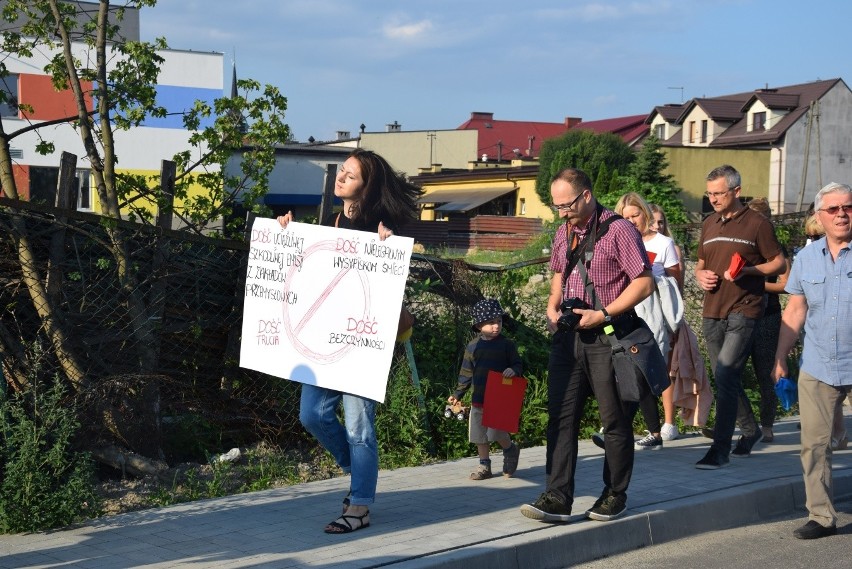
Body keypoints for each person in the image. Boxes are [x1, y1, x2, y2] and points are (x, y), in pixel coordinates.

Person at [277, 148, 422, 534]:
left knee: (359, 426)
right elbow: (308, 268)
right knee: (312, 414)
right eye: (342, 171)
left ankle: (359, 506)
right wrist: (287, 235)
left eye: (351, 175)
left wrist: (388, 244)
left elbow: (392, 278)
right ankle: (359, 474)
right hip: (326, 339)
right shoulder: (331, 220)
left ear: (366, 186)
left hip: (362, 341)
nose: (341, 178)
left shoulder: (383, 226)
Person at [520, 168, 654, 523]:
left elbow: (644, 283)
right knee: (561, 418)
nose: (562, 212)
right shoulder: (564, 231)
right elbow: (559, 275)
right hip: (568, 338)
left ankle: (614, 494)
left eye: (567, 205)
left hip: (607, 335)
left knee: (613, 420)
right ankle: (557, 496)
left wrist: (604, 314)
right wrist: (552, 306)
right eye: (556, 206)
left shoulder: (618, 230)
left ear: (587, 195)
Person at [772, 182, 852, 539]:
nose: (842, 214)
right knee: (814, 445)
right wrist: (781, 356)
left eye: (847, 207)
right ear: (820, 217)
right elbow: (795, 309)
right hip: (819, 363)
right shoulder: (805, 258)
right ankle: (821, 517)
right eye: (833, 209)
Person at [694, 165, 785, 469]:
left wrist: (748, 271)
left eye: (718, 193)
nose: (713, 199)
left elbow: (778, 264)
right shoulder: (708, 223)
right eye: (709, 194)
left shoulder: (757, 224)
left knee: (724, 373)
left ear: (735, 191)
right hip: (712, 309)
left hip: (745, 308)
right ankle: (750, 429)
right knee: (725, 377)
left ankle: (719, 450)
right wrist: (700, 275)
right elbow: (701, 263)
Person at [612, 193, 683, 451]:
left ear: (646, 214)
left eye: (635, 214)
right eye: (625, 216)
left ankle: (644, 429)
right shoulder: (617, 242)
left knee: (645, 369)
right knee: (629, 369)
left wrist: (676, 323)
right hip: (626, 311)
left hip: (654, 311)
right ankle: (639, 430)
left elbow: (676, 283)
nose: (630, 220)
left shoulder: (663, 244)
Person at [447, 298, 523, 480]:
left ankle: (510, 449)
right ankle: (484, 467)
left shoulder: (507, 345)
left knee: (496, 432)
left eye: (499, 321)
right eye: (491, 322)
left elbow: (518, 364)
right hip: (479, 398)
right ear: (479, 325)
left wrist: (513, 370)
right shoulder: (473, 346)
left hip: (499, 398)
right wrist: (458, 394)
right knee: (479, 434)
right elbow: (466, 372)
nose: (496, 326)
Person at [745, 198, 791, 442]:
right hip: (740, 314)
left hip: (768, 316)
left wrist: (760, 285)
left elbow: (788, 284)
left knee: (766, 372)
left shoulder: (776, 248)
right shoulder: (741, 244)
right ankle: (740, 423)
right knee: (731, 371)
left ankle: (767, 426)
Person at [648, 203, 686, 440]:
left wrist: (676, 320)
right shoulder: (635, 242)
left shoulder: (669, 247)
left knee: (665, 368)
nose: (657, 226)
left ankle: (669, 422)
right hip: (640, 310)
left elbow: (676, 286)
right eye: (653, 221)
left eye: (661, 221)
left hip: (665, 312)